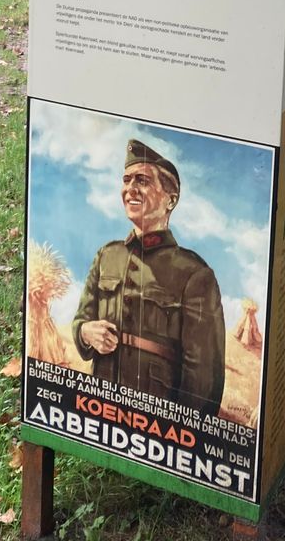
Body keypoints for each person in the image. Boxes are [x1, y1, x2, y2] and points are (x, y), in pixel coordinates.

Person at [73, 139, 226, 415]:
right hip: (102, 407)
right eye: (126, 180)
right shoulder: (107, 256)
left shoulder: (194, 273)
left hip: (159, 420)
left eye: (142, 181)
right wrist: (85, 332)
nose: (130, 189)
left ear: (171, 199)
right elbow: (81, 322)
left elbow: (204, 378)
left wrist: (180, 435)